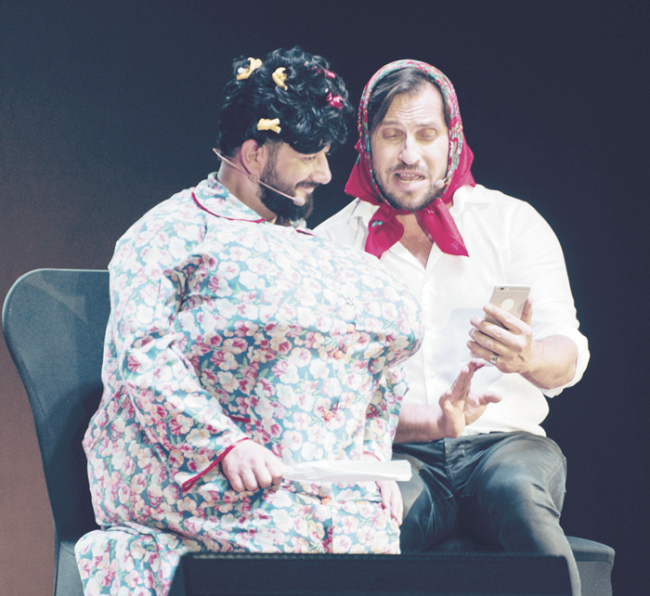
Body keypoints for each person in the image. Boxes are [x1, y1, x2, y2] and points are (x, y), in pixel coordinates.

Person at [74, 48, 494, 596]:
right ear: (254, 154)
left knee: (367, 536)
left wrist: (369, 459)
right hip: (214, 481)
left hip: (316, 488)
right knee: (282, 533)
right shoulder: (172, 234)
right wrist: (224, 445)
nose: (324, 173)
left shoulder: (317, 250)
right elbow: (142, 356)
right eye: (309, 156)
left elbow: (375, 367)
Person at [316, 60, 589, 596]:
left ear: (452, 139)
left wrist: (528, 357)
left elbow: (569, 355)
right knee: (370, 527)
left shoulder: (511, 223)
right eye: (391, 135)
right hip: (398, 454)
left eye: (426, 134)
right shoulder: (329, 248)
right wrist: (428, 424)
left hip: (505, 445)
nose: (409, 155)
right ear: (366, 143)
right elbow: (328, 398)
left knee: (517, 494)